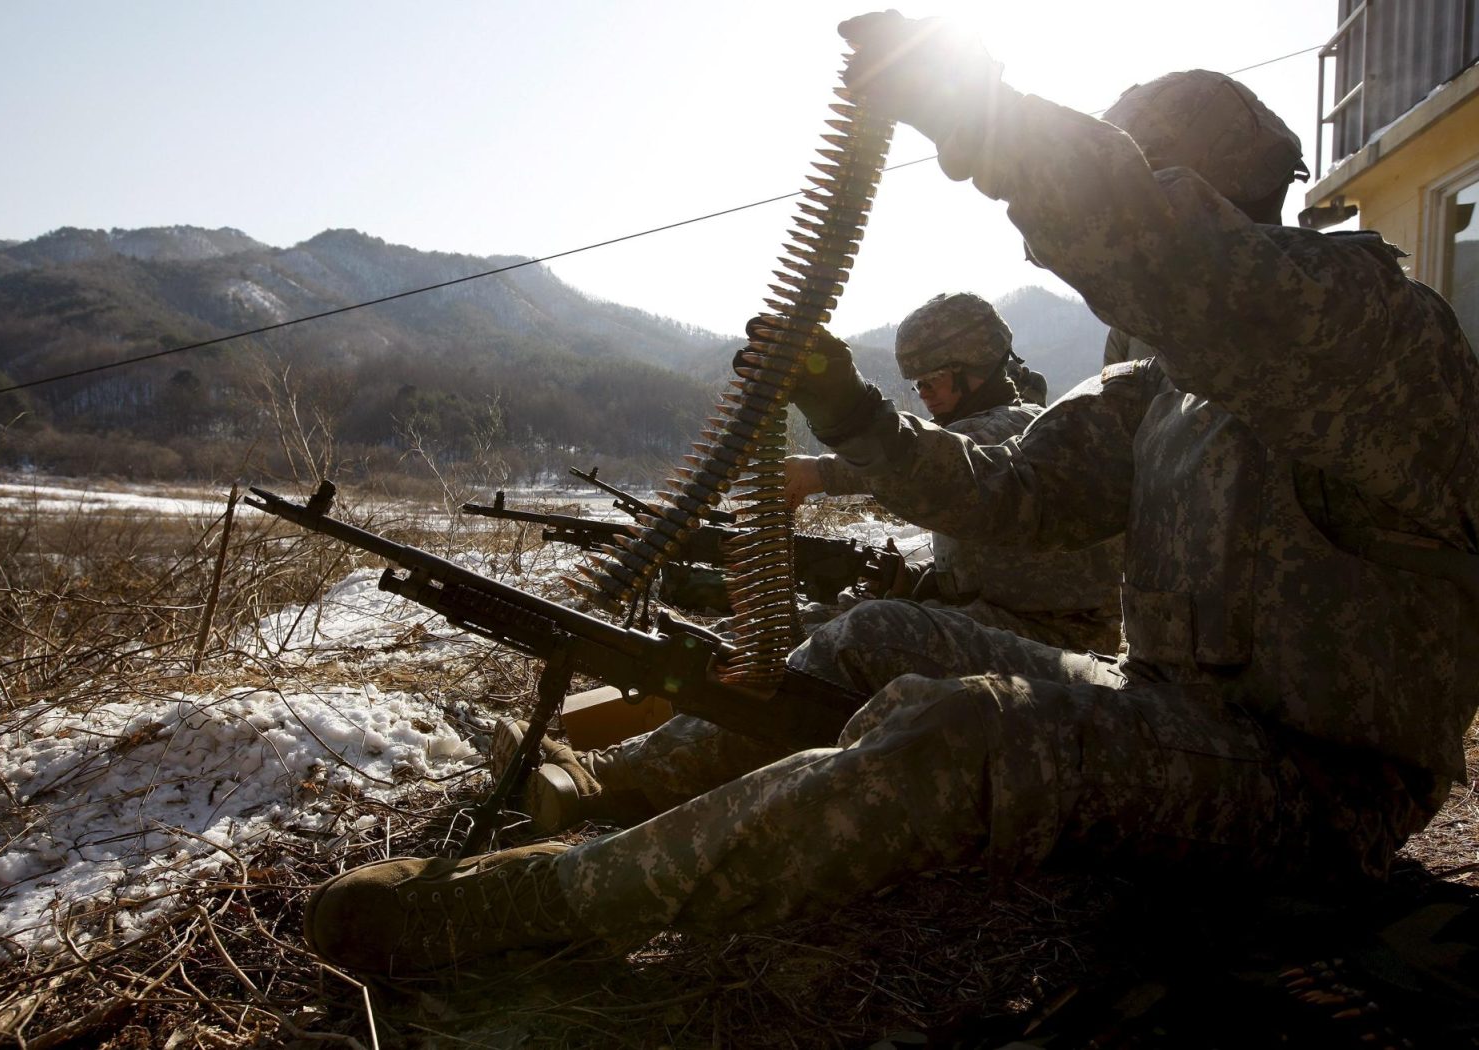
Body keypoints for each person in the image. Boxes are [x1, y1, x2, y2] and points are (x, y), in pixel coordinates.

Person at [302, 14, 1479, 980]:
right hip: (1184, 720)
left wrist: (989, 119)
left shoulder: (1365, 331)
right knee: (880, 633)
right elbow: (1014, 494)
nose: (1122, 221)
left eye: (1151, 179)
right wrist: (859, 417)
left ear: (1210, 195)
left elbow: (1181, 265)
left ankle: (543, 907)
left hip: (1315, 793)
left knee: (960, 733)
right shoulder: (1163, 388)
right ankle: (611, 786)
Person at [784, 291, 1121, 653]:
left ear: (974, 368)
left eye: (934, 380)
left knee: (858, 637)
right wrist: (916, 580)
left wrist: (821, 471)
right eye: (919, 383)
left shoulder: (1018, 427)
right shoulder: (976, 429)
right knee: (816, 626)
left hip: (1058, 637)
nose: (924, 393)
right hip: (1002, 618)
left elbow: (939, 462)